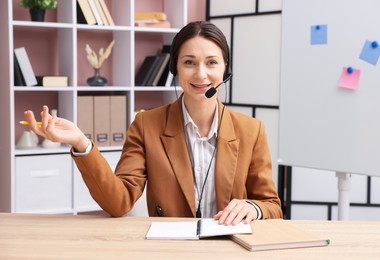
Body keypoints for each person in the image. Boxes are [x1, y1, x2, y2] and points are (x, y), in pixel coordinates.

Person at [24, 21, 283, 225]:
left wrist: (255, 207)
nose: (201, 74)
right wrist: (82, 143)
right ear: (175, 69)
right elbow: (119, 202)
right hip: (168, 251)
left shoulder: (251, 130)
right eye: (189, 62)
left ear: (225, 70)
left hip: (229, 249)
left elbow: (272, 206)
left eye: (211, 63)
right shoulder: (146, 125)